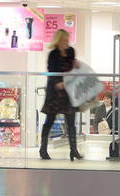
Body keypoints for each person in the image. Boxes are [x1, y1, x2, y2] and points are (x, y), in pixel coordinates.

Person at [39, 29, 82, 161]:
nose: (66, 42)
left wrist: (76, 66)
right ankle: (43, 149)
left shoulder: (71, 51)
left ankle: (73, 150)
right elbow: (51, 71)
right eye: (64, 40)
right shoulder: (53, 54)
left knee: (71, 122)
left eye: (67, 40)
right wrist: (59, 82)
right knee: (49, 121)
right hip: (55, 93)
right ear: (58, 41)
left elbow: (73, 69)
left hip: (68, 92)